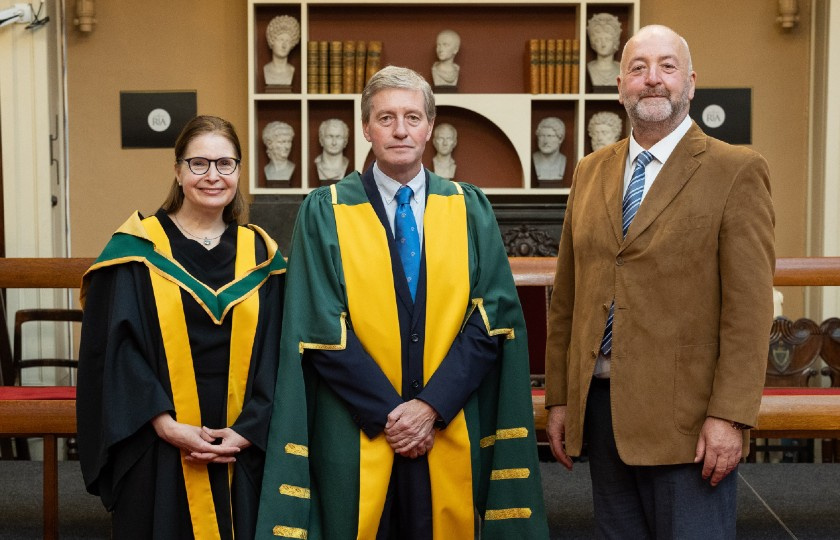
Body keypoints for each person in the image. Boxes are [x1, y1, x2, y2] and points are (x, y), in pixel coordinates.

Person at [256, 66, 547, 539]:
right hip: (357, 426)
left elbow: (492, 317)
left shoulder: (469, 207)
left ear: (429, 128)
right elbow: (318, 323)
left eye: (413, 117)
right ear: (366, 128)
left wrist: (429, 407)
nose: (400, 129)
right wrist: (392, 415)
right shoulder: (326, 209)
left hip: (448, 420)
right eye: (386, 117)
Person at [544, 25, 775, 539]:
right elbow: (568, 297)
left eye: (667, 67)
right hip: (602, 412)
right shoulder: (590, 171)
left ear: (690, 83)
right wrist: (559, 399)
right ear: (621, 84)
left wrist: (730, 417)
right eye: (639, 68)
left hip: (689, 424)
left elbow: (749, 311)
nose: (653, 79)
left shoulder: (735, 170)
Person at [77, 115, 287, 539]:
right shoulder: (138, 247)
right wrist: (165, 424)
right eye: (199, 164)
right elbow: (116, 351)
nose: (213, 176)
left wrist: (248, 431)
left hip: (242, 444)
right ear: (177, 170)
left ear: (239, 171)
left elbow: (278, 351)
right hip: (157, 442)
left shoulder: (262, 254)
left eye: (225, 164)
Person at [586, 13, 622, 87]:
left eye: (607, 39)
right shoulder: (588, 68)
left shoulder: (621, 69)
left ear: (615, 42)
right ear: (593, 43)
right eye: (598, 40)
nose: (603, 44)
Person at [264, 15, 301, 86]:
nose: (284, 45)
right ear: (272, 41)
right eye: (281, 40)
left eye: (288, 41)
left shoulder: (291, 70)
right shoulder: (266, 69)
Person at [532, 116, 567, 180]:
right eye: (542, 136)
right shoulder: (533, 159)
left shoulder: (563, 160)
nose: (545, 141)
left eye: (550, 136)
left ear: (560, 139)